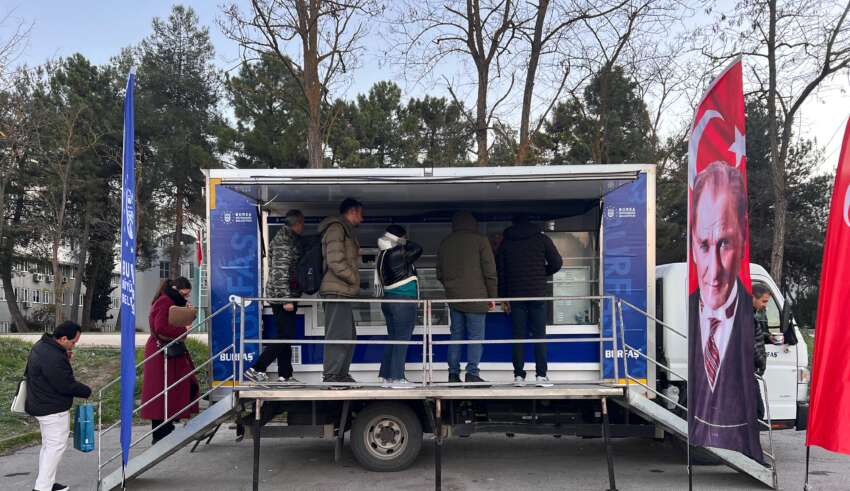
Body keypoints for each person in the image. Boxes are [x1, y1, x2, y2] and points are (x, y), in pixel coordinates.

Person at [688, 162, 763, 461]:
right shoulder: (688, 312)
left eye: (725, 244)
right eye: (704, 245)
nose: (714, 269)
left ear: (743, 238)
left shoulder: (747, 317)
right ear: (692, 243)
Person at [25, 321, 91, 491]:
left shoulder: (43, 345)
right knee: (55, 448)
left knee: (49, 447)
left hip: (40, 403)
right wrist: (86, 391)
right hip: (52, 408)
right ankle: (42, 488)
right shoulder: (53, 356)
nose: (74, 345)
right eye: (73, 342)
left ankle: (46, 483)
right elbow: (65, 384)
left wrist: (64, 355)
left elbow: (49, 372)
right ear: (63, 339)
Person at [497, 214, 563, 386]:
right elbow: (557, 263)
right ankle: (541, 375)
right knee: (539, 335)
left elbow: (501, 272)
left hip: (516, 294)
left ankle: (519, 376)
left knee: (518, 336)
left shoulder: (506, 242)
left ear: (513, 223)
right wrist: (542, 273)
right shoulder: (542, 239)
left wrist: (503, 296)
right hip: (537, 293)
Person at [437, 211, 498, 384]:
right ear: (474, 224)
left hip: (454, 298)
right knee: (475, 337)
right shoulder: (480, 240)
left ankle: (453, 374)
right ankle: (472, 373)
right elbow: (490, 271)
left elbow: (439, 272)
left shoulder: (446, 242)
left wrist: (451, 287)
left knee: (456, 335)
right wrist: (492, 296)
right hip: (477, 297)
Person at [246, 209, 305, 384]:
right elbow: (280, 273)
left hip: (283, 294)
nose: (303, 226)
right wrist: (286, 299)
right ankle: (257, 368)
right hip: (282, 296)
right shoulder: (283, 243)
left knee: (284, 335)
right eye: (302, 223)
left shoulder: (288, 239)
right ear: (296, 223)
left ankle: (285, 375)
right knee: (286, 335)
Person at [140, 277, 199, 444]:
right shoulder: (164, 302)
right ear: (175, 290)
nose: (186, 298)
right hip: (162, 352)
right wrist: (184, 330)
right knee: (162, 393)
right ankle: (161, 432)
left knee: (176, 389)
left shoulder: (168, 301)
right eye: (184, 294)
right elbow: (160, 328)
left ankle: (167, 427)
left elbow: (171, 323)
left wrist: (189, 316)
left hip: (169, 351)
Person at [319, 198, 363, 384]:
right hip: (336, 290)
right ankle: (332, 375)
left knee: (348, 334)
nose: (362, 218)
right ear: (352, 211)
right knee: (338, 334)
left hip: (341, 290)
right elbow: (335, 261)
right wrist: (354, 279)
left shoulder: (344, 230)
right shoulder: (337, 229)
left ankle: (341, 374)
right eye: (360, 213)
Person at [375, 225, 423, 385]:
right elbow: (418, 248)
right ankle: (397, 378)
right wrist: (402, 241)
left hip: (389, 299)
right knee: (402, 340)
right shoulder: (397, 252)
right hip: (403, 300)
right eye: (404, 237)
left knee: (393, 339)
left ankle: (386, 376)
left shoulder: (382, 254)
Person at [752, 283, 771, 421]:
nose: (765, 305)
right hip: (747, 372)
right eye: (764, 301)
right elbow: (751, 344)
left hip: (746, 371)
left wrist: (767, 337)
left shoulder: (748, 315)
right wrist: (761, 362)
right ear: (753, 297)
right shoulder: (748, 316)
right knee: (758, 411)